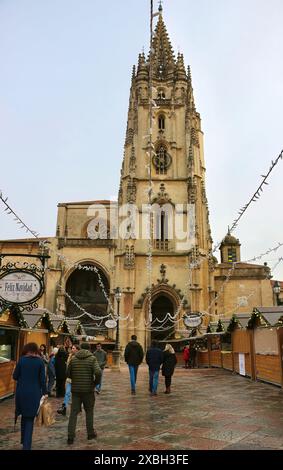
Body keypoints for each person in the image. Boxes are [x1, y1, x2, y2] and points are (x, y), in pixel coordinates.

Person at [13, 342, 47, 450]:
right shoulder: (40, 362)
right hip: (34, 394)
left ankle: (24, 441)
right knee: (29, 419)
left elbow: (15, 376)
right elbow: (42, 380)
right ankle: (26, 446)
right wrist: (45, 392)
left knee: (24, 415)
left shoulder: (22, 360)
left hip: (21, 393)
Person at [67, 342, 101, 445]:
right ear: (89, 348)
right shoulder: (92, 359)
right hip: (88, 390)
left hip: (76, 390)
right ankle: (90, 433)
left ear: (80, 348)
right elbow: (98, 372)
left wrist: (75, 379)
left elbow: (67, 373)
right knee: (89, 411)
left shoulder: (73, 359)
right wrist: (95, 383)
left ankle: (70, 437)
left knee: (73, 413)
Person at [57, 344, 80, 415]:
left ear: (77, 350)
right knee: (67, 393)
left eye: (73, 348)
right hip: (69, 378)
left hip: (76, 379)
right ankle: (64, 407)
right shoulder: (69, 356)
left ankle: (78, 407)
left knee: (77, 394)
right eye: (72, 348)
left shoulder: (79, 357)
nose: (72, 349)